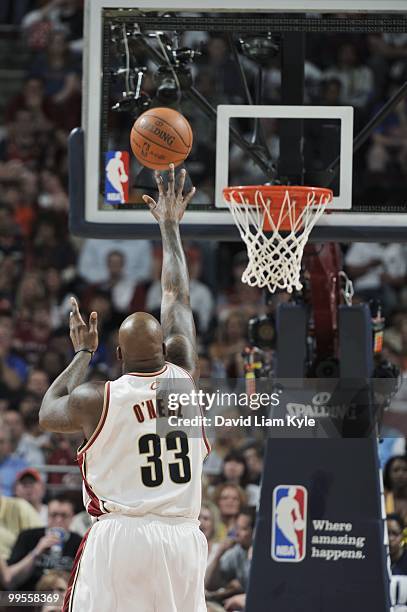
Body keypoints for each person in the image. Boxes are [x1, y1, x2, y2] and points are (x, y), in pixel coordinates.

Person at [39, 164, 210, 612]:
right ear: (168, 349)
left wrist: (81, 354)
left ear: (117, 355)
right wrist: (170, 227)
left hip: (122, 538)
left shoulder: (97, 398)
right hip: (182, 539)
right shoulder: (185, 377)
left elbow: (47, 411)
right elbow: (176, 294)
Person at [7, 495, 81, 590]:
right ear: (47, 515)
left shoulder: (79, 541)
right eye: (54, 515)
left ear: (72, 518)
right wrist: (37, 551)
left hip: (64, 597)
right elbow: (10, 579)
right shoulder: (28, 536)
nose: (58, 520)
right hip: (29, 596)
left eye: (64, 516)